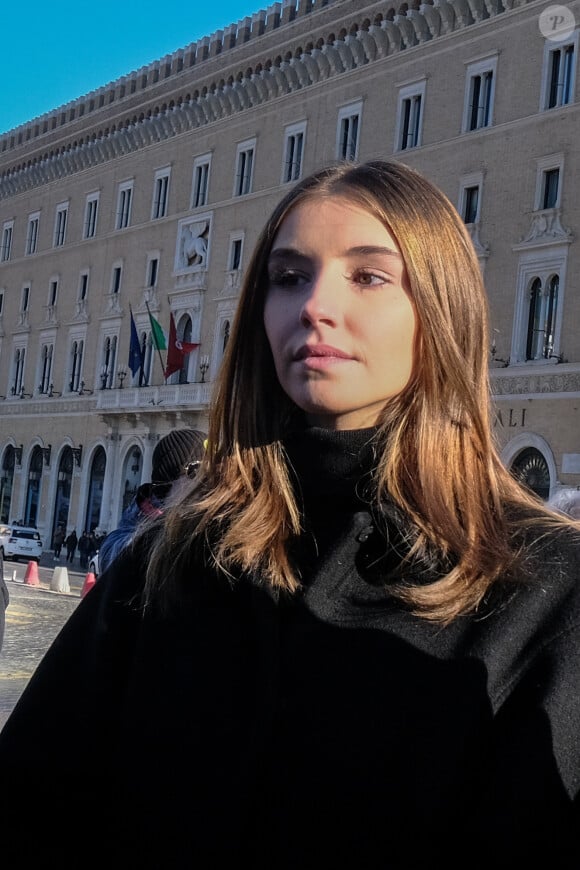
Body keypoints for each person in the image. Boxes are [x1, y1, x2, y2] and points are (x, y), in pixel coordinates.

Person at [0, 159, 579, 866]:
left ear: (443, 307)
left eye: (367, 275)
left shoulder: (546, 589)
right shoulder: (171, 563)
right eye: (288, 276)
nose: (314, 306)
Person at [97, 428, 207, 576]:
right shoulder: (130, 531)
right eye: (196, 470)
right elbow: (112, 558)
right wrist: (175, 517)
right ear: (170, 482)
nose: (207, 478)